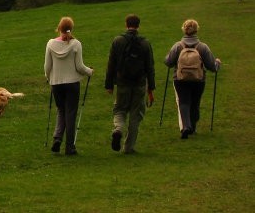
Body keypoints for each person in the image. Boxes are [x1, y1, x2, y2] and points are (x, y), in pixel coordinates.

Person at [104, 14, 155, 154]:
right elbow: (150, 66)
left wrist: (109, 85)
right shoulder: (145, 43)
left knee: (119, 109)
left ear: (126, 24)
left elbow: (111, 64)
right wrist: (151, 87)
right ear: (138, 25)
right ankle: (129, 147)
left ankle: (118, 129)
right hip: (139, 83)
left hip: (122, 82)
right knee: (135, 114)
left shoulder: (118, 41)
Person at [44, 16, 93, 156]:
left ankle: (57, 138)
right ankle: (70, 147)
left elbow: (47, 66)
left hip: (56, 83)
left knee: (61, 110)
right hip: (72, 83)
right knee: (70, 113)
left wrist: (48, 78)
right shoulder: (76, 44)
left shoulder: (50, 44)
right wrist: (89, 71)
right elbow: (79, 66)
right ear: (71, 28)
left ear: (59, 28)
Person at [164, 19, 221, 138]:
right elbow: (211, 66)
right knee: (195, 103)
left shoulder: (178, 46)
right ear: (196, 30)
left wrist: (167, 57)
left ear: (184, 30)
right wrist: (217, 63)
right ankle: (193, 127)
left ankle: (186, 127)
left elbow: (168, 62)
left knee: (183, 102)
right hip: (198, 80)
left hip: (180, 79)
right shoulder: (202, 47)